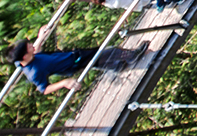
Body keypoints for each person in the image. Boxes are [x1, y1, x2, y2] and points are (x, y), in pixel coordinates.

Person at [8, 32, 144, 95]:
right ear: (25, 56)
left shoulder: (22, 62)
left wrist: (40, 37)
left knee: (97, 58)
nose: (32, 45)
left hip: (71, 56)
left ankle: (116, 66)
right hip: (72, 63)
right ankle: (132, 56)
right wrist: (64, 83)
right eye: (29, 47)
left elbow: (36, 51)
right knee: (106, 52)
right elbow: (44, 89)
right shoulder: (34, 73)